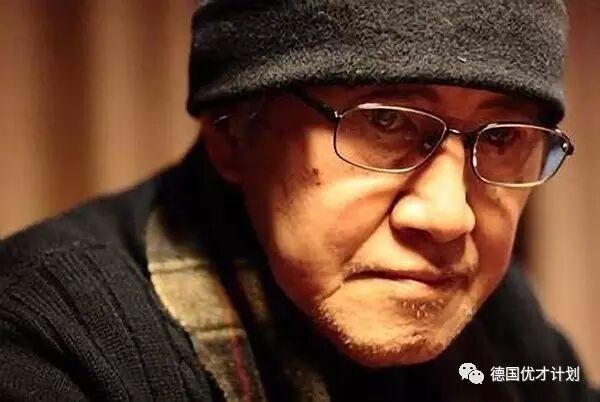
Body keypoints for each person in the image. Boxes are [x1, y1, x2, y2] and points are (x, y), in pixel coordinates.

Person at [0, 0, 598, 401]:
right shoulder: (47, 338)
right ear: (233, 129)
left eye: (503, 138)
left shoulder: (498, 328)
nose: (448, 217)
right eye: (385, 121)